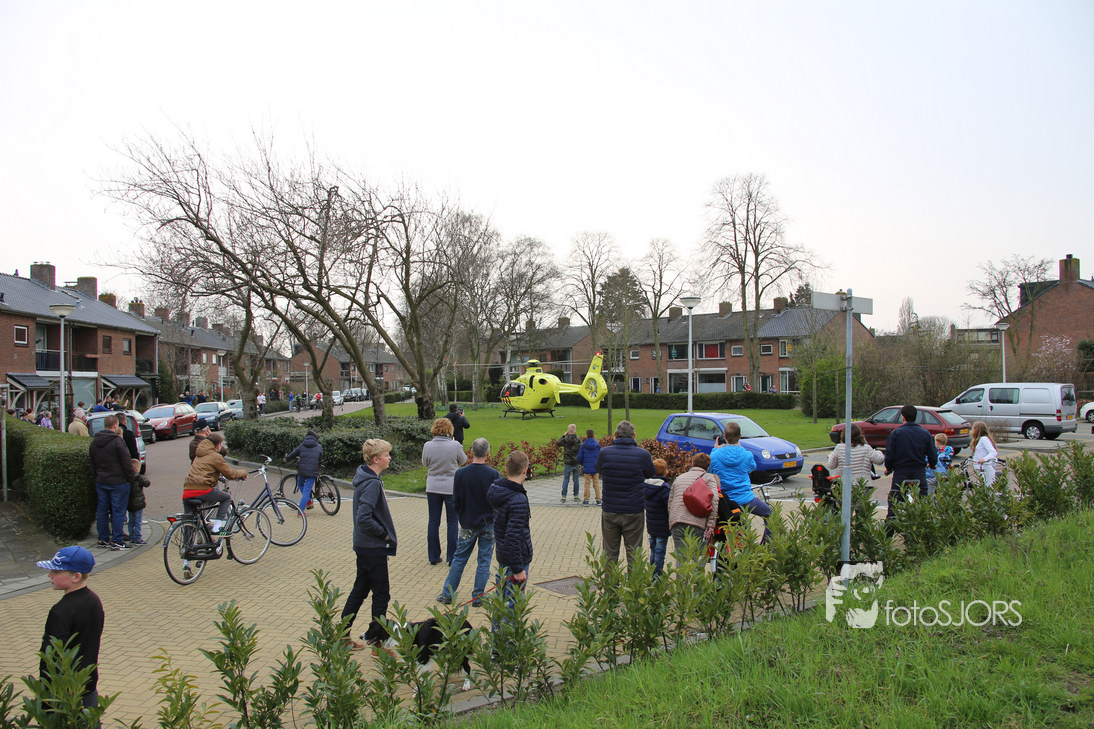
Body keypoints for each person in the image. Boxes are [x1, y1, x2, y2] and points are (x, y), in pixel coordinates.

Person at [341, 438, 397, 649]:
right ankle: (378, 644)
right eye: (386, 455)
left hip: (363, 546)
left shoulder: (366, 478)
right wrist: (383, 534)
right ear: (376, 459)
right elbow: (363, 517)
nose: (389, 458)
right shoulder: (372, 483)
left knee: (360, 590)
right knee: (381, 595)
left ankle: (342, 636)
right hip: (373, 548)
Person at [36, 546, 104, 710]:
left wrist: (46, 695)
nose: (50, 575)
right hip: (87, 683)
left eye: (56, 571)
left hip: (64, 692)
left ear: (76, 576)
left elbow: (51, 655)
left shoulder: (60, 611)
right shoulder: (94, 601)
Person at [437, 438, 499, 606]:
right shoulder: (493, 475)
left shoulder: (461, 474)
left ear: (471, 452)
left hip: (468, 522)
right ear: (488, 453)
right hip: (488, 523)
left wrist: (461, 515)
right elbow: (497, 500)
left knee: (459, 558)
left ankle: (447, 594)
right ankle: (478, 596)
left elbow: (455, 500)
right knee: (484, 560)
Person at [595, 420, 655, 569]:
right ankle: (634, 583)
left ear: (615, 435)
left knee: (609, 551)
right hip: (634, 510)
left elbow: (599, 469)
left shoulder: (604, 453)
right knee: (634, 552)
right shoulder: (642, 455)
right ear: (634, 436)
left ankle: (610, 583)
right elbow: (650, 473)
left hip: (611, 509)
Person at [710, 421, 770, 542]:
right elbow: (752, 467)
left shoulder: (715, 456)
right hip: (746, 499)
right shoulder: (747, 455)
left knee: (741, 527)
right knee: (770, 514)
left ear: (724, 436)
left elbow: (710, 471)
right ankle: (767, 545)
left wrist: (716, 449)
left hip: (726, 501)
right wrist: (740, 448)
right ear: (740, 436)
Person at [488, 450, 532, 608]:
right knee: (511, 607)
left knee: (501, 604)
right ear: (525, 470)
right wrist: (518, 569)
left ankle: (498, 626)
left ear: (506, 470)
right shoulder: (517, 499)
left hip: (504, 556)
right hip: (515, 560)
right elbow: (513, 536)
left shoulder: (500, 491)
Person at [883, 404, 938, 530]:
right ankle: (922, 532)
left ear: (903, 417)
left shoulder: (896, 433)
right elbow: (932, 454)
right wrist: (932, 464)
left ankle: (888, 534)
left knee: (895, 504)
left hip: (901, 472)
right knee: (922, 503)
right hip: (919, 472)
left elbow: (890, 454)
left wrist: (889, 468)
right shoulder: (925, 433)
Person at [421, 417, 467, 565]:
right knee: (452, 522)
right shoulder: (455, 445)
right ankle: (451, 557)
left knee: (433, 521)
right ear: (449, 430)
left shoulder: (427, 445)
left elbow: (425, 463)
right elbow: (463, 460)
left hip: (433, 487)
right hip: (451, 487)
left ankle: (433, 556)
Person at [183, 432, 246, 535]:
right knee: (226, 498)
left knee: (189, 522)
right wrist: (244, 472)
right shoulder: (215, 456)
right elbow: (231, 474)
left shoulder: (198, 455)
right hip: (202, 490)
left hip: (187, 491)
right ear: (218, 445)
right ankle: (217, 528)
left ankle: (188, 544)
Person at [89, 414, 136, 550]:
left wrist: (96, 479)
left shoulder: (94, 442)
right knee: (118, 511)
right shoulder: (117, 441)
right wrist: (130, 478)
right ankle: (117, 540)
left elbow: (92, 464)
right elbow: (126, 462)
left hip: (101, 481)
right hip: (118, 482)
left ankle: (103, 539)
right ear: (115, 425)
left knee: (102, 511)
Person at [667, 452, 720, 557]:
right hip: (698, 522)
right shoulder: (709, 478)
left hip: (677, 521)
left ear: (692, 464)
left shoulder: (680, 478)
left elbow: (670, 501)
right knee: (698, 558)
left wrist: (672, 518)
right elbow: (714, 500)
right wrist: (710, 525)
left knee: (681, 558)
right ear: (708, 467)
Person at [644, 458, 672, 577]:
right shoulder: (664, 488)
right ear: (666, 472)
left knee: (653, 550)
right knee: (660, 553)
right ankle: (657, 576)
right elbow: (668, 507)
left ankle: (652, 572)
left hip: (651, 524)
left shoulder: (646, 485)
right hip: (662, 525)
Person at [118, 420, 144, 544]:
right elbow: (147, 482)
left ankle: (132, 536)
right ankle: (137, 537)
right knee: (137, 520)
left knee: (130, 519)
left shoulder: (127, 478)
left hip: (129, 503)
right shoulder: (138, 478)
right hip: (138, 504)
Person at [286, 429, 323, 510]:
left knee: (300, 484)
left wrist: (286, 458)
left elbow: (293, 454)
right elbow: (320, 458)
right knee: (307, 491)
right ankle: (308, 501)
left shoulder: (302, 446)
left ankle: (300, 511)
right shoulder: (319, 446)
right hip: (312, 471)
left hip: (302, 471)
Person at [556, 424, 582, 503]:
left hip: (567, 462)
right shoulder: (578, 440)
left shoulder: (565, 439)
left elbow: (558, 443)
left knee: (566, 479)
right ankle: (576, 495)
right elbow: (581, 448)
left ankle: (564, 496)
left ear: (568, 431)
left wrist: (563, 436)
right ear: (575, 431)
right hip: (575, 462)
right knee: (576, 479)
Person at [970, 421, 999, 487]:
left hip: (986, 468)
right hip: (980, 469)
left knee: (988, 488)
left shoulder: (984, 439)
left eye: (974, 429)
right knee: (981, 487)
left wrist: (984, 459)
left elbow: (993, 452)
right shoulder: (980, 440)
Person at [578, 428, 602, 506]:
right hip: (595, 467)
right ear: (594, 436)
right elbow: (601, 457)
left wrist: (583, 464)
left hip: (587, 467)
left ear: (586, 436)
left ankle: (586, 500)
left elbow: (579, 458)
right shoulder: (598, 446)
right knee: (596, 483)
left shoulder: (583, 446)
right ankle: (598, 499)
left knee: (587, 484)